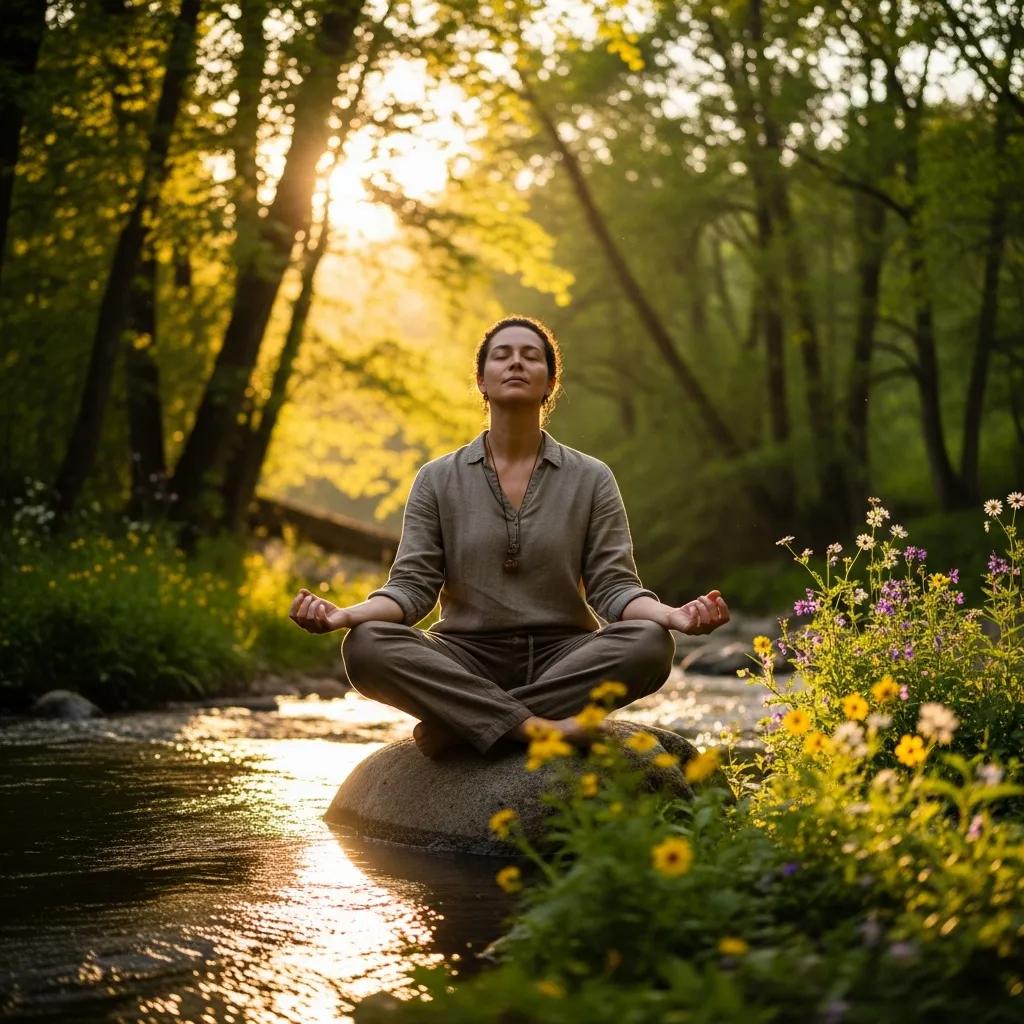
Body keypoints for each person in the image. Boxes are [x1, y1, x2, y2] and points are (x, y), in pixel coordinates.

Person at [289, 315, 730, 758]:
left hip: (566, 658)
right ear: (481, 380)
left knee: (650, 642)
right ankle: (536, 728)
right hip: (464, 656)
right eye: (502, 356)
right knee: (366, 645)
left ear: (549, 383)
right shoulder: (437, 478)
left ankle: (461, 728)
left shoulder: (592, 478)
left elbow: (613, 587)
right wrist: (343, 616)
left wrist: (672, 616)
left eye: (530, 356)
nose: (515, 363)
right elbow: (411, 589)